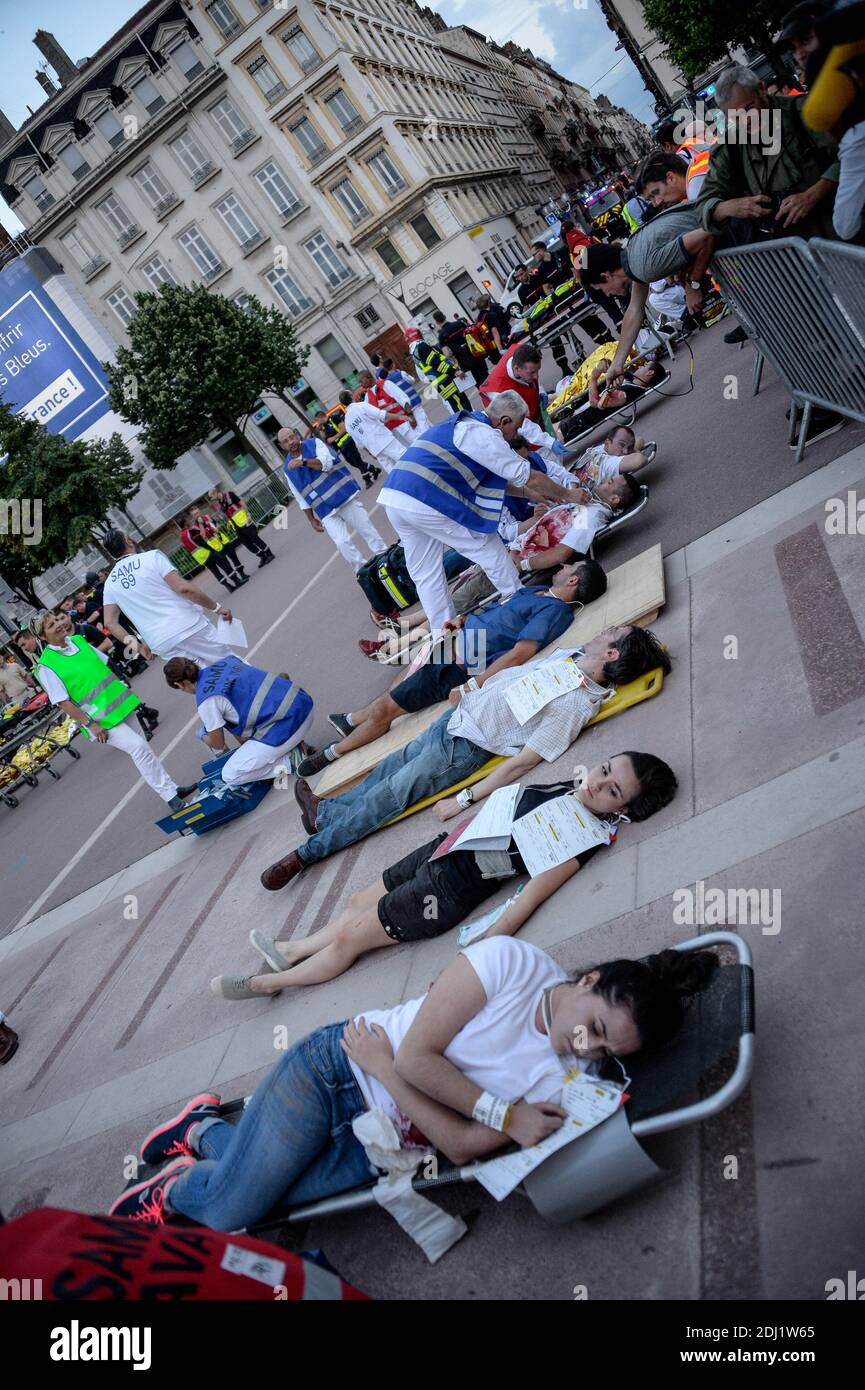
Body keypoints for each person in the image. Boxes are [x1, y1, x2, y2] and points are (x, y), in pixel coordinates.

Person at [113, 935, 717, 1226]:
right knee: (229, 1210)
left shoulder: (571, 1077)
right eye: (595, 1028)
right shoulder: (509, 962)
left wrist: (397, 1076)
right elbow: (418, 1058)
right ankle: (178, 1189)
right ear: (589, 981)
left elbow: (458, 1146)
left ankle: (203, 1131)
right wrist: (503, 1115)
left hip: (383, 1138)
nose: (588, 1048)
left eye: (608, 1049)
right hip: (337, 1068)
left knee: (265, 1195)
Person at [220, 749, 679, 999]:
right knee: (359, 901)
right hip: (444, 849)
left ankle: (267, 985)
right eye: (603, 770)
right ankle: (291, 949)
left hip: (448, 889)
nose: (596, 783)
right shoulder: (573, 792)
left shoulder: (581, 838)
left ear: (625, 811)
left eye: (611, 789)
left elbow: (531, 896)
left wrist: (484, 946)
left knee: (351, 939)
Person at [259, 624, 669, 889]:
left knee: (384, 800)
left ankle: (304, 855)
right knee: (384, 773)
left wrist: (465, 799)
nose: (604, 630)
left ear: (611, 654)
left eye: (612, 632)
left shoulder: (578, 704)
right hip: (457, 720)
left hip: (464, 749)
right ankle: (324, 815)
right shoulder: (573, 657)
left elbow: (526, 760)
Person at [298, 560, 607, 773]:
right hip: (458, 639)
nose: (564, 566)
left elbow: (519, 653)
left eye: (570, 567)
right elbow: (499, 616)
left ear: (573, 579)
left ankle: (332, 753)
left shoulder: (554, 610)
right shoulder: (536, 592)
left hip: (461, 662)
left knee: (386, 710)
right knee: (395, 690)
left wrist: (474, 683)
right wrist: (463, 620)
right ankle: (353, 720)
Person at [379, 390, 564, 634]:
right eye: (516, 428)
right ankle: (518, 600)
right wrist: (568, 495)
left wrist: (527, 493)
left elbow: (497, 480)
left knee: (427, 574)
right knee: (485, 543)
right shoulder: (481, 433)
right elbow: (526, 474)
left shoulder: (461, 423)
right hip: (423, 497)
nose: (515, 435)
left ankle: (443, 634)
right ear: (504, 421)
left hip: (396, 497)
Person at [30, 611, 197, 810]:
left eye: (57, 619)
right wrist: (90, 724)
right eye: (50, 625)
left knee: (143, 748)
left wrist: (124, 679)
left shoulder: (77, 641)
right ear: (42, 636)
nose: (58, 624)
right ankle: (170, 796)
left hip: (120, 704)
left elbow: (105, 663)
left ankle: (172, 789)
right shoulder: (46, 666)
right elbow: (62, 702)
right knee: (139, 748)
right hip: (100, 720)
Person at [695, 64, 841, 242]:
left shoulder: (802, 113)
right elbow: (703, 208)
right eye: (736, 117)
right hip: (792, 253)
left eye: (749, 108)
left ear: (761, 90)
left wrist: (814, 194)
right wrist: (729, 207)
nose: (747, 120)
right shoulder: (730, 147)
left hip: (841, 230)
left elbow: (854, 154)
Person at [580, 215, 715, 389]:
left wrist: (693, 285)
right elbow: (634, 311)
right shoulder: (635, 262)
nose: (606, 295)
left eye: (601, 289)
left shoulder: (645, 265)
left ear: (606, 276)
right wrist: (617, 364)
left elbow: (707, 234)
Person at [100, 529, 244, 667]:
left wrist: (137, 647)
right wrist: (217, 608)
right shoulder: (151, 557)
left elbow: (110, 623)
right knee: (229, 663)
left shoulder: (110, 584)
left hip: (161, 643)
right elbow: (184, 588)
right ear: (129, 541)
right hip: (187, 626)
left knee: (202, 679)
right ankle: (262, 690)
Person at [164, 655, 313, 787]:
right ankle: (292, 746)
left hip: (289, 725)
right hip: (304, 705)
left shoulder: (206, 701)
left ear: (179, 684)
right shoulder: (227, 661)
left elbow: (218, 744)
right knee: (243, 719)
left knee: (230, 775)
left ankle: (292, 761)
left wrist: (203, 735)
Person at [278, 426, 387, 571]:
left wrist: (303, 462)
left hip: (343, 496)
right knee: (342, 543)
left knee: (367, 530)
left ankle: (386, 558)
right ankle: (364, 571)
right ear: (281, 446)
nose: (290, 441)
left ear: (296, 436)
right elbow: (300, 497)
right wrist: (311, 519)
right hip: (325, 511)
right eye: (286, 441)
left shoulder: (314, 443)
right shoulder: (287, 469)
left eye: (292, 437)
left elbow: (326, 463)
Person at [516, 473, 641, 570]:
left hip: (520, 558)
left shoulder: (591, 516)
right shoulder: (588, 502)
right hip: (517, 547)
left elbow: (561, 553)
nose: (603, 480)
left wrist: (523, 565)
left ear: (614, 499)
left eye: (609, 482)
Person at [342, 387, 413, 473]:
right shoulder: (361, 406)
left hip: (374, 448)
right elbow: (381, 414)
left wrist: (370, 453)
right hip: (384, 439)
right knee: (405, 458)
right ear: (351, 396)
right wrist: (399, 417)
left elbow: (359, 443)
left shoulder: (347, 422)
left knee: (392, 471)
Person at [404, 324, 472, 413]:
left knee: (458, 405)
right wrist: (455, 371)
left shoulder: (414, 351)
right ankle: (471, 424)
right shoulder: (421, 346)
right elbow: (436, 362)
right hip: (445, 381)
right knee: (461, 406)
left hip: (440, 383)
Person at [207, 487, 275, 567]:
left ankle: (269, 553)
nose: (211, 499)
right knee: (247, 544)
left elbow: (241, 502)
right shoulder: (220, 503)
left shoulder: (229, 495)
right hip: (236, 526)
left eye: (211, 497)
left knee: (255, 539)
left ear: (215, 493)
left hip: (244, 521)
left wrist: (248, 514)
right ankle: (262, 556)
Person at [315, 404, 380, 487]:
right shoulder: (324, 427)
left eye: (317, 420)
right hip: (342, 447)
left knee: (357, 460)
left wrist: (334, 437)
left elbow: (344, 428)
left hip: (348, 442)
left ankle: (367, 480)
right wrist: (320, 430)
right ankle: (373, 469)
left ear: (321, 417)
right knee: (353, 463)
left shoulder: (334, 418)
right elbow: (326, 439)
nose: (317, 422)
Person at [179, 510, 241, 595]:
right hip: (207, 553)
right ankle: (236, 581)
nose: (190, 521)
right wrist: (212, 550)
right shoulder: (191, 531)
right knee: (224, 564)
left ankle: (229, 586)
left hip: (200, 557)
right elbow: (201, 541)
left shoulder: (181, 535)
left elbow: (188, 547)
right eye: (188, 520)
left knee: (215, 572)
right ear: (185, 523)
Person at [371, 354, 432, 436]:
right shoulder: (382, 372)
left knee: (421, 421)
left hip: (402, 402)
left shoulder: (378, 373)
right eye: (380, 356)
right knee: (421, 421)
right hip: (404, 400)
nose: (381, 357)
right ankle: (430, 437)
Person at [357, 367, 418, 440]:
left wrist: (411, 416)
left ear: (368, 378)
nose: (360, 384)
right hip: (392, 432)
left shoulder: (385, 384)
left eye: (361, 381)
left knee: (418, 443)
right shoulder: (367, 397)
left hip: (404, 424)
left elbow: (402, 399)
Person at [433, 308, 478, 382]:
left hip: (463, 360)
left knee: (475, 380)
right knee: (485, 375)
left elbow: (447, 354)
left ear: (436, 322)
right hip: (474, 352)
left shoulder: (442, 336)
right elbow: (472, 336)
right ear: (444, 316)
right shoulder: (460, 323)